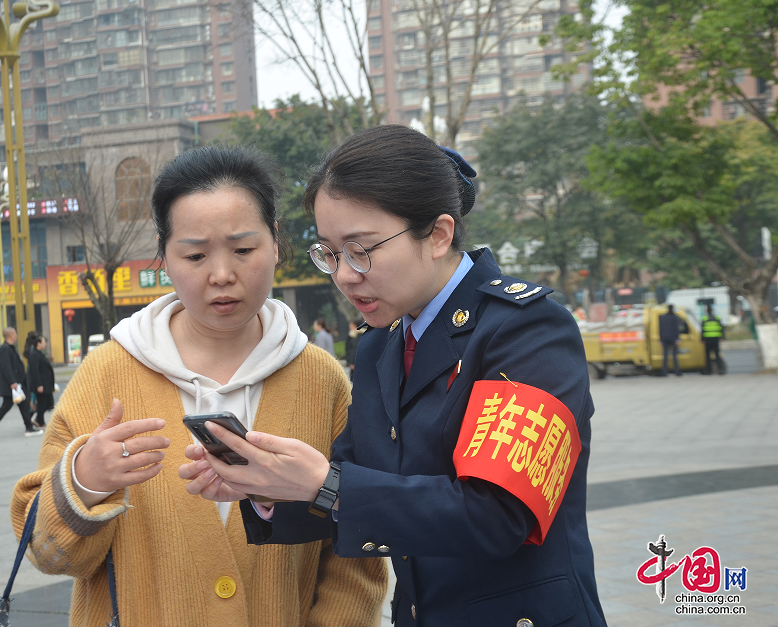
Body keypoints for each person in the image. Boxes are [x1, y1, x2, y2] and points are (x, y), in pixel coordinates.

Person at [181, 126, 606, 626]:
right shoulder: (384, 340)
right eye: (330, 253)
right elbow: (351, 475)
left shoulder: (525, 329)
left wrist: (326, 484)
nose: (343, 274)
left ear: (439, 234)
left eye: (361, 249)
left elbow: (496, 517)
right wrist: (267, 486)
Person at [9, 146, 387, 626]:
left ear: (276, 243)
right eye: (195, 254)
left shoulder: (322, 380)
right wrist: (84, 480)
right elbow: (49, 555)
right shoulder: (107, 374)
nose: (222, 275)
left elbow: (357, 560)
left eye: (244, 250)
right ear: (163, 258)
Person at [0, 327, 42, 439]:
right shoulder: (5, 349)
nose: (16, 335)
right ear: (11, 335)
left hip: (17, 384)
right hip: (12, 385)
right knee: (6, 406)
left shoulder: (10, 348)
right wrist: (12, 382)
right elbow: (6, 367)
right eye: (15, 333)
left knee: (24, 405)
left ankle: (28, 428)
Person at [24, 332, 55, 429]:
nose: (45, 343)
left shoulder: (40, 354)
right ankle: (40, 422)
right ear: (38, 344)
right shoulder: (34, 355)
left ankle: (37, 418)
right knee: (42, 403)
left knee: (49, 403)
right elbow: (35, 371)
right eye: (44, 341)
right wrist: (39, 385)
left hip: (46, 384)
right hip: (41, 384)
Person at [701, 304, 726, 375]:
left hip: (707, 340)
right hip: (716, 339)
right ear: (712, 311)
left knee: (707, 357)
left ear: (707, 311)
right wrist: (723, 338)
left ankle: (709, 371)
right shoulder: (717, 318)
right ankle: (720, 370)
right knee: (717, 355)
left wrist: (702, 340)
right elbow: (722, 328)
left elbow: (702, 330)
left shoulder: (704, 319)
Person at [659, 304, 682, 376]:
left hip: (665, 337)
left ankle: (664, 372)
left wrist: (661, 339)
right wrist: (677, 338)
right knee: (674, 355)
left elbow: (661, 329)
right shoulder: (675, 317)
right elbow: (676, 329)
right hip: (673, 338)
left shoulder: (663, 317)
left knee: (665, 356)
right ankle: (677, 371)